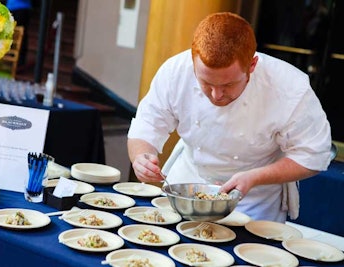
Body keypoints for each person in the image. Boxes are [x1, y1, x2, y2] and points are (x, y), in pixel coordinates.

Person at [127, 12, 332, 222]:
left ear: (252, 65)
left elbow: (314, 155)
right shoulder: (175, 71)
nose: (216, 95)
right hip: (187, 187)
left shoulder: (290, 87)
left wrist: (255, 177)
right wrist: (141, 157)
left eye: (228, 85)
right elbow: (146, 125)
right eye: (206, 83)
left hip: (254, 201)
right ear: (193, 61)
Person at [6, 0, 32, 66]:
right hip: (10, 7)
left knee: (21, 34)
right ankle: (11, 58)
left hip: (22, 8)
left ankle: (20, 60)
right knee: (11, 33)